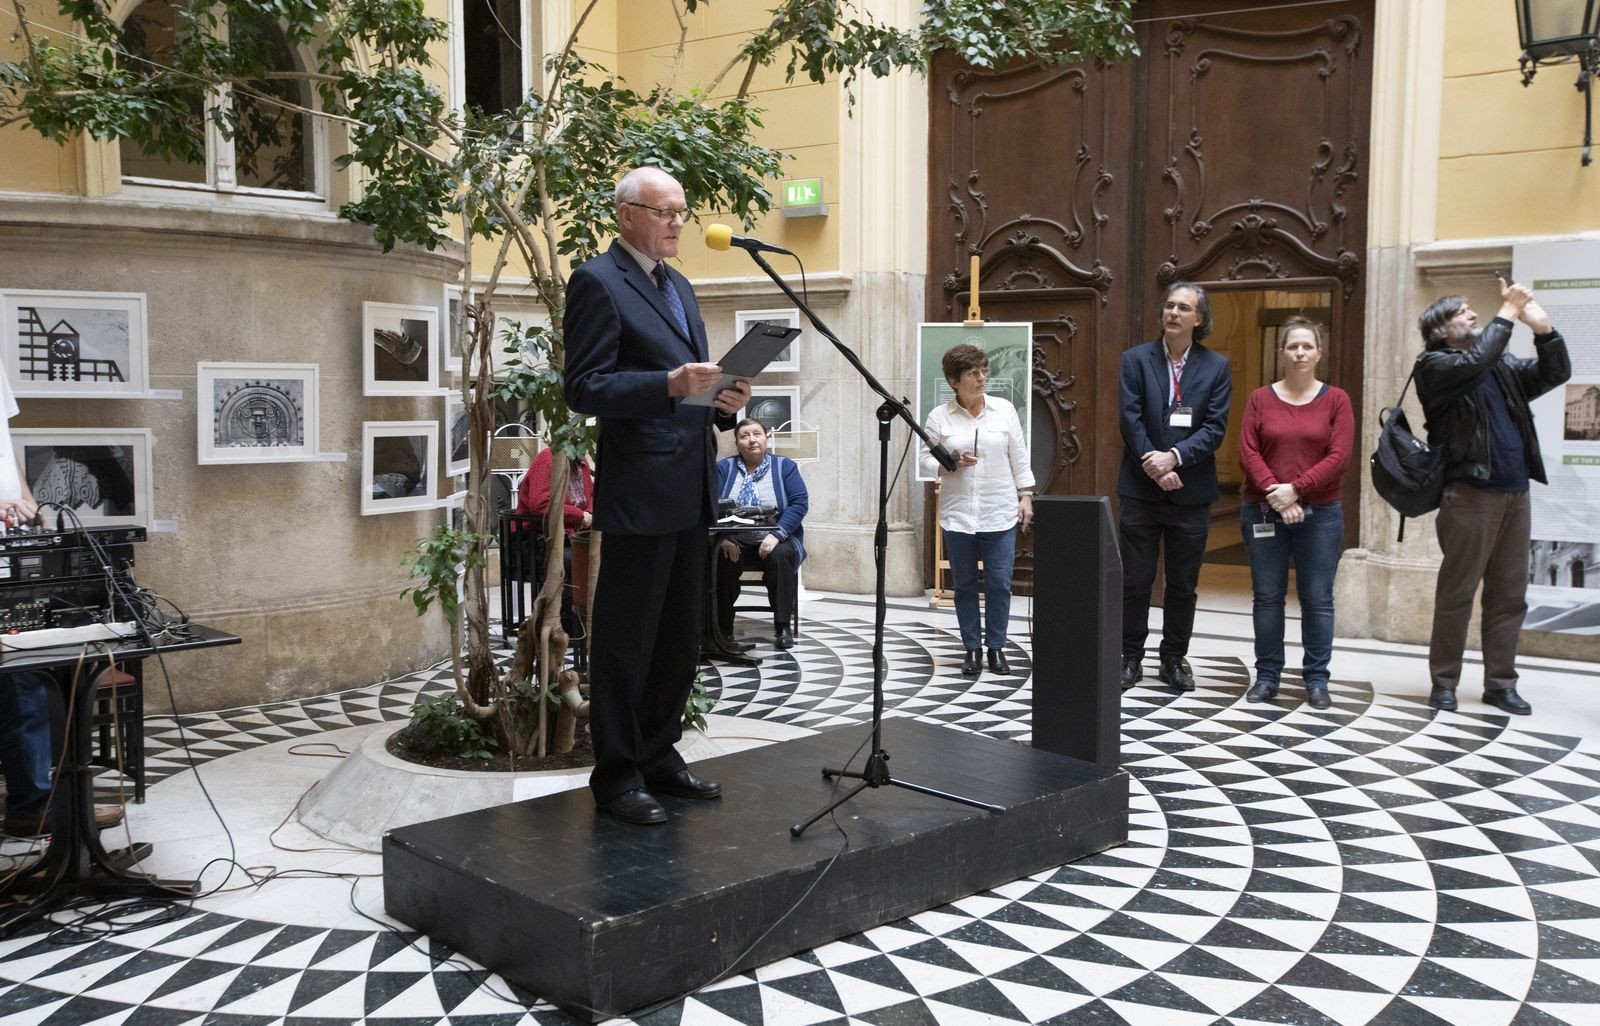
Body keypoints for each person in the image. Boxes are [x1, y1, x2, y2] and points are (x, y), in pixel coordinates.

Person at [563, 166, 750, 826]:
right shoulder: (597, 281)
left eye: (682, 212)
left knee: (678, 637)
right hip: (640, 490)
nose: (677, 222)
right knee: (626, 641)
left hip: (692, 485)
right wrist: (667, 383)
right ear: (627, 215)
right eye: (664, 211)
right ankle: (617, 774)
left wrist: (722, 402)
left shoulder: (680, 286)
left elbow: (690, 391)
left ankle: (658, 753)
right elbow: (584, 387)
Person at [1415, 278, 1569, 715]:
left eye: (1471, 309)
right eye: (1460, 312)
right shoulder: (1435, 366)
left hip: (1515, 493)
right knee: (1457, 593)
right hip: (1470, 493)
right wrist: (1508, 312)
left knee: (1508, 595)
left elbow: (1554, 373)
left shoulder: (1498, 365)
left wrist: (1543, 330)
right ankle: (1444, 682)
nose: (1472, 314)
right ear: (1440, 330)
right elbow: (1476, 361)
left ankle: (1500, 684)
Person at [1, 361, 122, 838]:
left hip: (12, 543)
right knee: (21, 684)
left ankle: (42, 798)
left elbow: (5, 446)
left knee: (36, 674)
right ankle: (33, 805)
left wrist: (29, 503)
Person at [1118, 282, 1233, 693]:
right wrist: (1155, 463)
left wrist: (1175, 457)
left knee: (1183, 585)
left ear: (1198, 319)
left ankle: (1173, 658)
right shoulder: (1136, 360)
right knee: (1136, 581)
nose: (1173, 313)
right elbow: (1130, 420)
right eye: (1169, 305)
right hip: (1141, 489)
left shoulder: (1216, 367)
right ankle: (1129, 656)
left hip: (1191, 491)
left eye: (1183, 308)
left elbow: (1215, 428)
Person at [1237, 317, 1354, 710]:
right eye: (1293, 347)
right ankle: (1267, 677)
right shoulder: (1260, 398)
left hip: (1321, 513)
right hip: (1263, 510)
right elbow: (1248, 451)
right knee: (1267, 597)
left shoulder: (1337, 400)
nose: (1300, 353)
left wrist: (1296, 490)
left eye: (1307, 346)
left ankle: (1317, 680)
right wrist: (1279, 496)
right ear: (1281, 353)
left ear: (1319, 353)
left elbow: (1339, 457)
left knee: (1317, 598)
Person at [920, 344, 1034, 678]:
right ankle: (971, 647)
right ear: (954, 381)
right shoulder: (938, 416)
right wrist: (950, 463)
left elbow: (1019, 456)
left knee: (999, 583)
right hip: (958, 514)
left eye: (984, 371)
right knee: (965, 584)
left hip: (999, 510)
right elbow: (924, 461)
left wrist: (1026, 496)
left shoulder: (1004, 410)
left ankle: (996, 647)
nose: (982, 378)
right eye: (973, 373)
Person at [716, 419, 808, 649]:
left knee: (781, 556)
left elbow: (799, 503)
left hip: (775, 537)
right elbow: (709, 505)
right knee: (720, 558)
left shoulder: (784, 466)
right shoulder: (724, 468)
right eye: (744, 436)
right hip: (734, 539)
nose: (751, 440)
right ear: (737, 443)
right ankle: (723, 627)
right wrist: (722, 538)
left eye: (757, 434)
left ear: (766, 438)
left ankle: (782, 626)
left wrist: (776, 535)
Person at [512, 446, 595, 636]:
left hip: (571, 537)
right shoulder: (548, 459)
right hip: (536, 540)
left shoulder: (581, 461)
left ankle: (586, 625)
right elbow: (540, 503)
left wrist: (588, 514)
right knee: (573, 562)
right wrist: (579, 516)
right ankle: (568, 628)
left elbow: (590, 496)